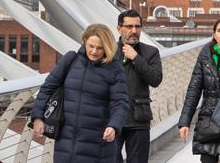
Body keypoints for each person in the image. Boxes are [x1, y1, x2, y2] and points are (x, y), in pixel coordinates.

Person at [33, 23, 129, 163]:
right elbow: (47, 88)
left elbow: (120, 102)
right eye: (91, 46)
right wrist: (37, 117)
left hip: (98, 145)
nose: (94, 51)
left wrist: (113, 126)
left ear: (107, 47)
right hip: (66, 143)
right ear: (84, 41)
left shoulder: (115, 69)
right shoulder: (70, 60)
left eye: (100, 48)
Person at [178, 17, 220, 162]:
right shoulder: (205, 54)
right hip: (208, 117)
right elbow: (194, 89)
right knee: (207, 159)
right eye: (219, 31)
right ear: (214, 34)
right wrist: (184, 122)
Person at [114, 10, 163, 163]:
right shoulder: (109, 52)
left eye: (137, 26)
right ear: (119, 28)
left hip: (138, 118)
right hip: (112, 118)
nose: (134, 31)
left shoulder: (151, 52)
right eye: (129, 26)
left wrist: (136, 58)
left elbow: (155, 79)